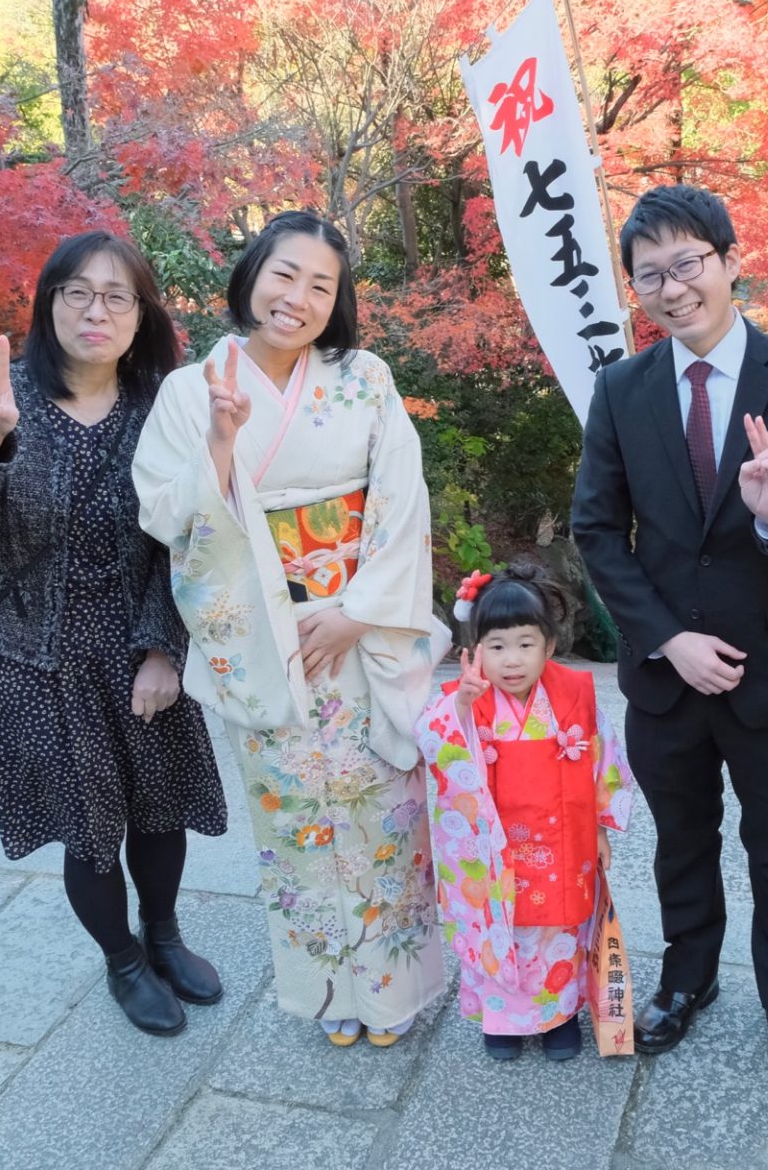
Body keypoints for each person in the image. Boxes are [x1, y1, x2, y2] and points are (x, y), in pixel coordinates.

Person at [571, 184, 768, 1078]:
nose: (672, 287)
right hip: (667, 673)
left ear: (730, 261)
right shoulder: (621, 389)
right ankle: (686, 979)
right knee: (680, 837)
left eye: (688, 263)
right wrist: (666, 638)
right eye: (650, 273)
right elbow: (597, 528)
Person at [132, 210, 449, 1048]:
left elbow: (402, 496)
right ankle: (327, 989)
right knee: (296, 823)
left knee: (383, 810)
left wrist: (358, 610)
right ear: (251, 276)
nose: (298, 296)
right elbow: (169, 518)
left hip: (358, 629)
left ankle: (394, 985)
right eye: (284, 274)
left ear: (337, 301)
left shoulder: (365, 376)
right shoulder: (188, 390)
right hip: (265, 644)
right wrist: (220, 444)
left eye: (321, 284)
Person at [0, 230, 228, 1037]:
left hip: (138, 649)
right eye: (77, 292)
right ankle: (124, 962)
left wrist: (166, 647)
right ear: (50, 303)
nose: (96, 309)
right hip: (33, 658)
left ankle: (164, 936)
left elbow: (189, 532)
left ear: (141, 314)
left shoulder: (165, 403)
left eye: (117, 295)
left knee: (160, 812)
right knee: (89, 829)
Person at [415, 563, 635, 1062]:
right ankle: (502, 1019)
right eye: (497, 646)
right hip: (495, 849)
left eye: (525, 643)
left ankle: (559, 1016)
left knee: (559, 930)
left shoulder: (574, 694)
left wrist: (602, 827)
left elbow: (604, 758)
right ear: (475, 650)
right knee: (502, 929)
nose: (511, 660)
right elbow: (434, 746)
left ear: (550, 646)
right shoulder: (460, 699)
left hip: (563, 841)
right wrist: (465, 709)